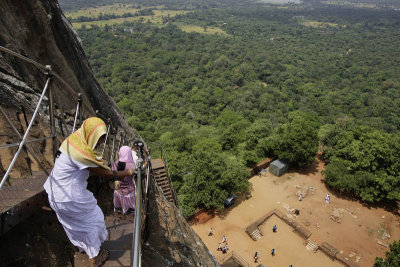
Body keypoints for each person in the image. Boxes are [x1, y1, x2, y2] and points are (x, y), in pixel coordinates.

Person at [44, 117, 135, 267]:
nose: (100, 142)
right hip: (69, 197)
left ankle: (84, 248)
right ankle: (95, 258)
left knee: (75, 225)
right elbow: (105, 173)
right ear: (90, 134)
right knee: (94, 221)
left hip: (55, 193)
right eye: (99, 138)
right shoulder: (81, 155)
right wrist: (128, 172)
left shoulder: (72, 142)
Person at [112, 146, 136, 215]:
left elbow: (113, 174)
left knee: (118, 209)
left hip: (118, 190)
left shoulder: (116, 164)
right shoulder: (131, 166)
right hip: (129, 191)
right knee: (131, 212)